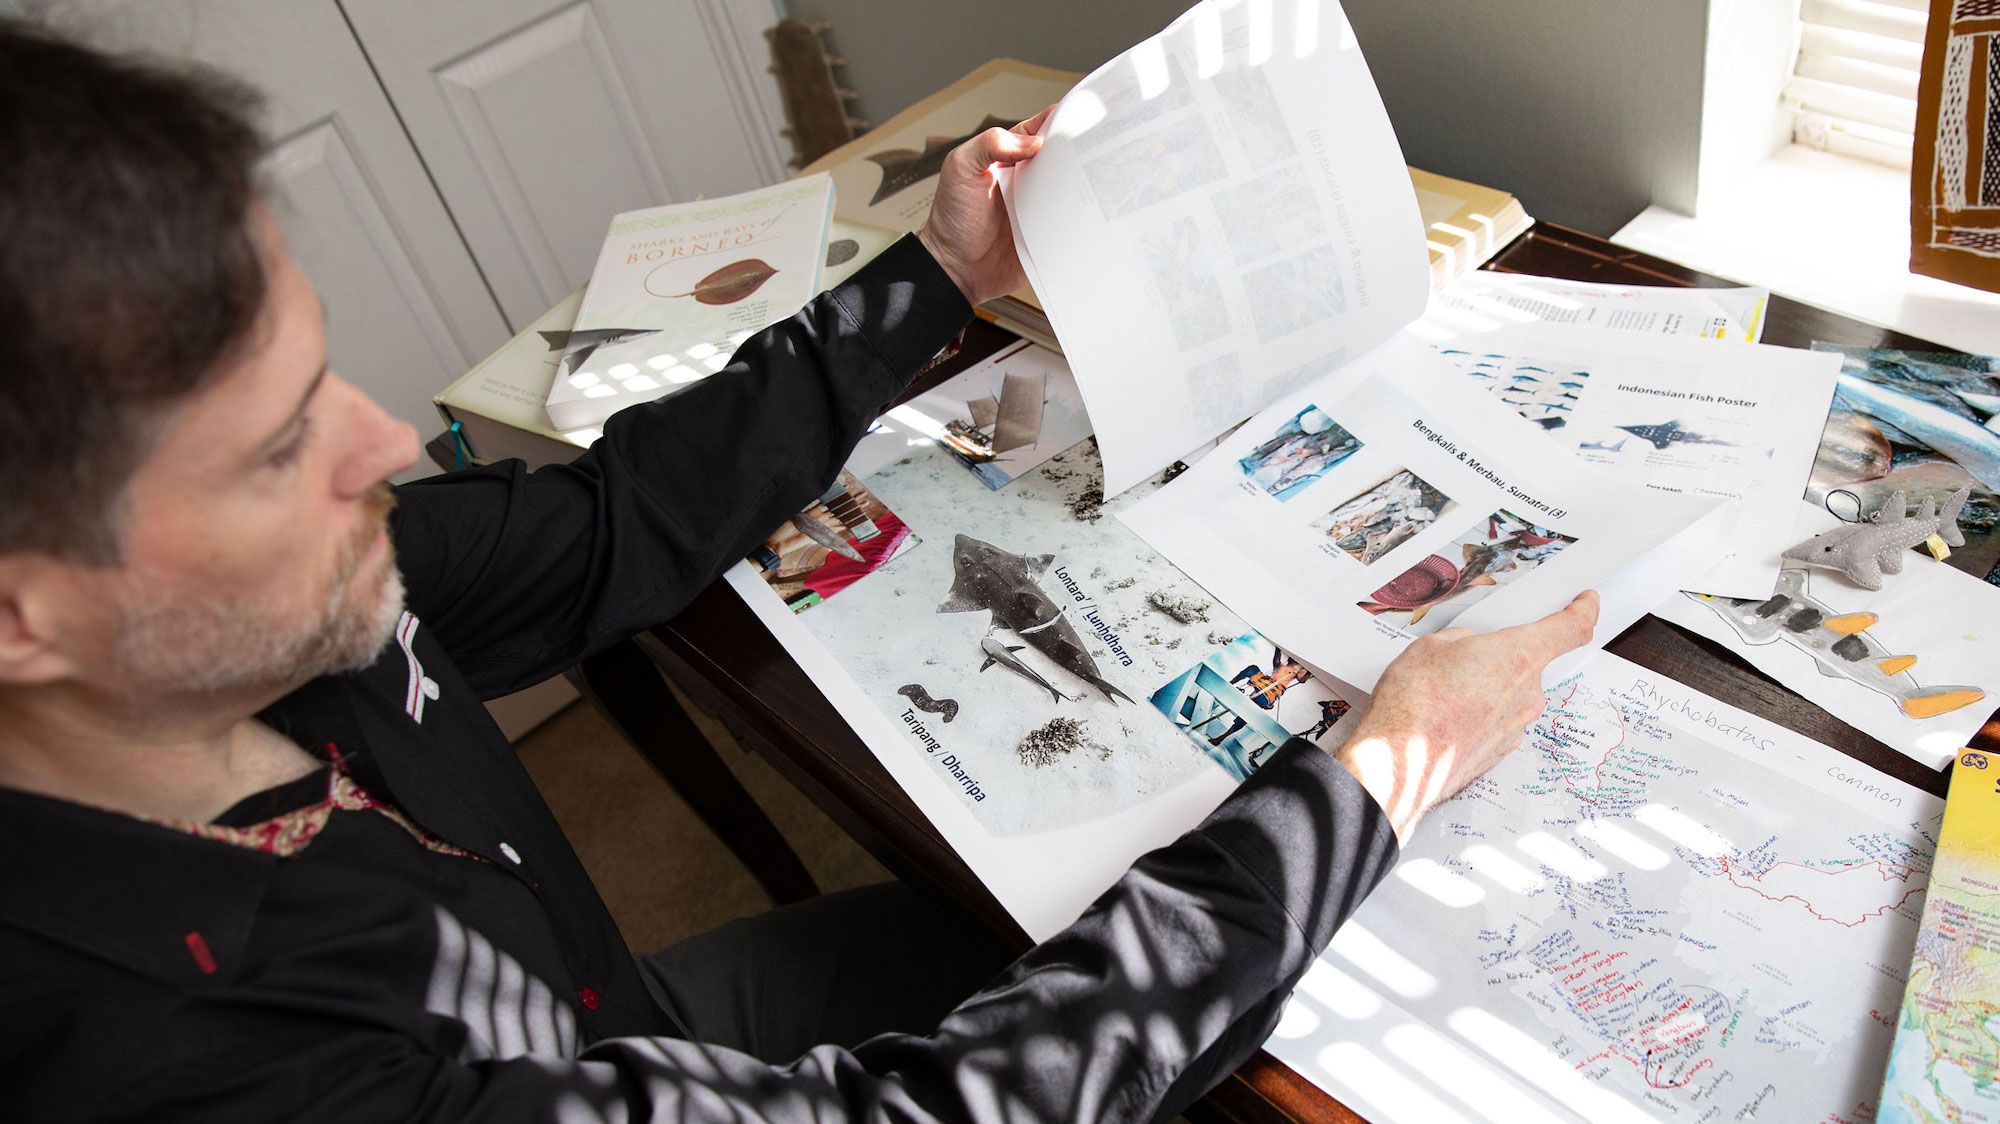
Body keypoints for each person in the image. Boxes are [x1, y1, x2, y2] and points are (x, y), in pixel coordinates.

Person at [0, 21, 1600, 1124]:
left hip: (615, 1016)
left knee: (1149, 975)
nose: (382, 450)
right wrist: (1373, 778)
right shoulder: (204, 1068)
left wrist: (937, 279)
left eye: (320, 377)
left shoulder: (261, 617)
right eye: (276, 448)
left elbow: (611, 530)